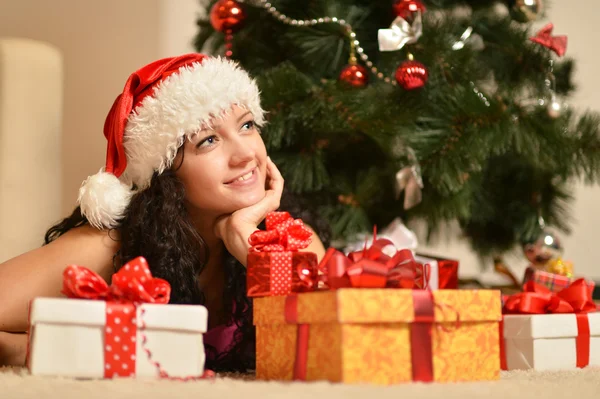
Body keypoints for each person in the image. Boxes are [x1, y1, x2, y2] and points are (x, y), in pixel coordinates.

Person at [0, 54, 328, 371]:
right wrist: (27, 349)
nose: (244, 154)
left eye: (246, 125)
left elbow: (329, 342)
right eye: (208, 140)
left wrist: (251, 249)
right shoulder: (108, 248)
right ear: (165, 174)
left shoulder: (290, 239)